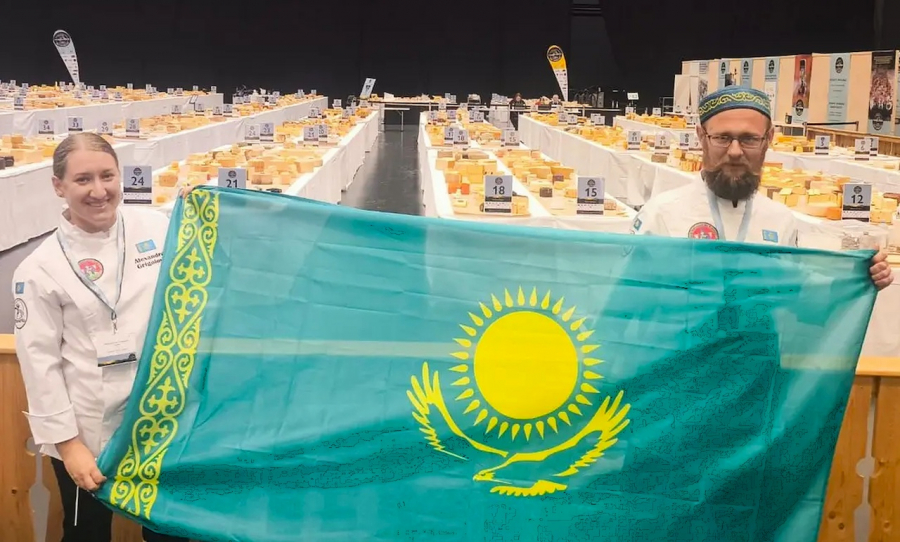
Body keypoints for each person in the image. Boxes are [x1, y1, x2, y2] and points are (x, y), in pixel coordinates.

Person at [12, 133, 192, 542]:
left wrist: (204, 207)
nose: (99, 191)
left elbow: (210, 252)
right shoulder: (38, 270)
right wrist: (69, 445)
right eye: (83, 179)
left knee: (168, 534)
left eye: (107, 176)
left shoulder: (157, 226)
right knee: (86, 534)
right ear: (58, 186)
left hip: (160, 421)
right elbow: (40, 366)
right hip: (88, 433)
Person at [630, 86, 893, 291]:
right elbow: (629, 298)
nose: (735, 151)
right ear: (701, 136)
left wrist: (860, 278)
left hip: (760, 345)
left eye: (749, 139)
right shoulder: (662, 214)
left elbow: (798, 296)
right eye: (722, 137)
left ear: (768, 139)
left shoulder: (779, 220)